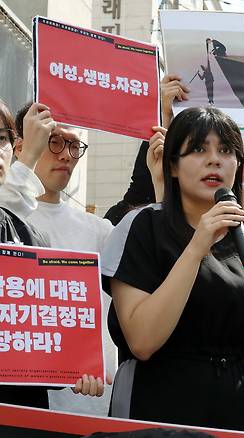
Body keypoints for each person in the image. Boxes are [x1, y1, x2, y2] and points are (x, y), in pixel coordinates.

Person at [101, 107, 244, 432]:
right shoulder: (143, 226)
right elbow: (142, 340)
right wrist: (197, 247)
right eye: (198, 149)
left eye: (226, 151)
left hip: (235, 415)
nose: (214, 160)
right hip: (155, 412)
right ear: (172, 165)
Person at [0, 101, 115, 414]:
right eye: (53, 141)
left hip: (91, 405)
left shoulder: (102, 231)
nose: (66, 154)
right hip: (21, 409)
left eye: (74, 145)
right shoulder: (12, 221)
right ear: (25, 145)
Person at [105, 74, 188, 225]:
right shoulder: (128, 220)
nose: (213, 160)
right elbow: (143, 186)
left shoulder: (231, 232)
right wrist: (164, 113)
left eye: (224, 150)